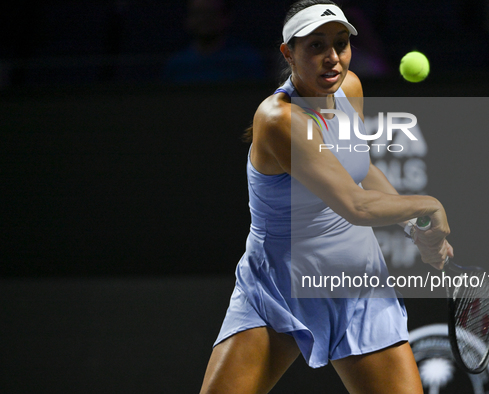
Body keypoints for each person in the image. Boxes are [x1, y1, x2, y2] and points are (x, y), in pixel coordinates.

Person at [200, 1, 453, 393]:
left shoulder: (350, 88)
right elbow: (355, 205)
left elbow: (361, 170)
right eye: (316, 46)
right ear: (288, 53)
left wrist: (411, 225)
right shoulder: (278, 120)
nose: (332, 58)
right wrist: (429, 206)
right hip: (280, 289)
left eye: (341, 43)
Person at [163, 0, 265, 83]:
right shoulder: (177, 64)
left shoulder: (245, 60)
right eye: (198, 13)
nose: (203, 19)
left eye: (210, 13)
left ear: (226, 17)